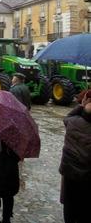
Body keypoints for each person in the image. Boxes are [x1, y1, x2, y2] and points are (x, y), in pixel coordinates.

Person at [59, 93, 91, 223]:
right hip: (88, 178)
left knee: (70, 207)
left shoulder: (73, 122)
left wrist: (81, 105)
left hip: (70, 175)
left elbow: (67, 117)